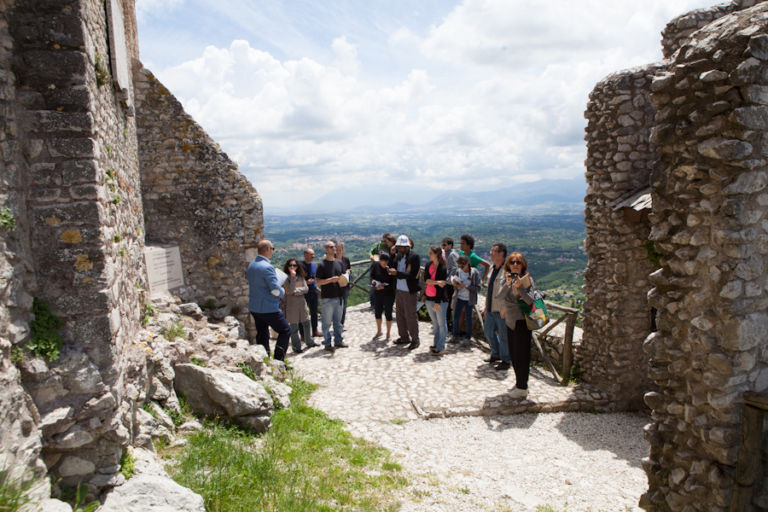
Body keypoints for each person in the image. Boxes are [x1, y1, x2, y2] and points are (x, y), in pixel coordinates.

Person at [496, 252, 536, 399]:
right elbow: (499, 297)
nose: (515, 265)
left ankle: (522, 387)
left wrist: (519, 287)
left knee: (522, 355)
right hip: (511, 322)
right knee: (514, 354)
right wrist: (508, 284)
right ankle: (520, 382)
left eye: (518, 262)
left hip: (522, 323)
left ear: (523, 265)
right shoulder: (506, 278)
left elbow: (530, 300)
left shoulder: (527, 279)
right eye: (512, 262)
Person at [247, 239, 291, 363]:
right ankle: (278, 361)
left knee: (262, 334)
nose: (272, 251)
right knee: (285, 330)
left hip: (255, 307)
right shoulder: (267, 267)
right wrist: (283, 292)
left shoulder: (252, 265)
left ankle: (265, 360)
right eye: (272, 248)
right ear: (267, 249)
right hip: (268, 307)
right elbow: (275, 290)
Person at [388, 234, 421, 350]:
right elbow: (391, 266)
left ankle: (415, 339)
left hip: (409, 290)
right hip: (399, 289)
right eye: (398, 247)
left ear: (407, 246)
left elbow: (412, 275)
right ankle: (404, 337)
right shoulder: (398, 255)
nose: (399, 249)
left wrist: (397, 274)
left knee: (410, 315)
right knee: (400, 315)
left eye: (401, 247)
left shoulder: (414, 257)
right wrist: (392, 255)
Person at [483, 243, 511, 370]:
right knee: (488, 331)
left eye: (493, 251)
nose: (490, 253)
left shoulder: (507, 270)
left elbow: (509, 291)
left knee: (504, 336)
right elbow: (489, 290)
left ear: (501, 254)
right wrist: (485, 306)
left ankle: (506, 359)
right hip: (490, 308)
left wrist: (505, 308)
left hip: (501, 310)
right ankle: (495, 353)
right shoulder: (492, 268)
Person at [315, 240, 348, 351]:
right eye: (331, 247)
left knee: (338, 322)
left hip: (339, 296)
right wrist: (330, 280)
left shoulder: (339, 263)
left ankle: (338, 341)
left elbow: (344, 276)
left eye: (334, 246)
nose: (334, 248)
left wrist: (345, 278)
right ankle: (327, 343)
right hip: (327, 298)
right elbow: (318, 282)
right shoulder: (322, 264)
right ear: (326, 249)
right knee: (326, 323)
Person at [282, 258, 318, 353]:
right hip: (292, 305)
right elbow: (289, 291)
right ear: (287, 266)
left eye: (295, 265)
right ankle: (296, 347)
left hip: (302, 303)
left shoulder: (301, 276)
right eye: (291, 265)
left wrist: (296, 291)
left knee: (306, 323)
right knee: (294, 328)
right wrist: (293, 278)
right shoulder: (285, 278)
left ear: (298, 267)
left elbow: (306, 289)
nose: (293, 267)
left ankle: (309, 342)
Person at [424, 245, 449, 355]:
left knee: (441, 324)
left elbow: (442, 287)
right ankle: (436, 344)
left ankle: (441, 346)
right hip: (429, 298)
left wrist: (437, 302)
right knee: (435, 323)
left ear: (437, 255)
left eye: (431, 253)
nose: (429, 255)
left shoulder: (443, 268)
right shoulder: (428, 265)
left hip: (439, 300)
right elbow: (426, 280)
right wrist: (436, 282)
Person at [450, 255, 481, 345]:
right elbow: (454, 283)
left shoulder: (474, 273)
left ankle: (468, 337)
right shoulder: (458, 272)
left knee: (468, 319)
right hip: (459, 298)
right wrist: (457, 286)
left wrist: (466, 287)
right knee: (455, 317)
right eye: (459, 266)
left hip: (469, 300)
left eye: (462, 266)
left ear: (468, 264)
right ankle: (455, 336)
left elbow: (478, 288)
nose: (461, 268)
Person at [370, 252, 395, 341]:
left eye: (385, 261)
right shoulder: (376, 265)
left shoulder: (391, 268)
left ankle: (388, 333)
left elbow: (393, 282)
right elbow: (372, 276)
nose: (384, 262)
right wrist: (373, 282)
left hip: (389, 293)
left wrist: (384, 286)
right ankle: (379, 331)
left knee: (388, 313)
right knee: (378, 312)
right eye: (382, 260)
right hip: (378, 292)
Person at [299, 247, 322, 338]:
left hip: (313, 291)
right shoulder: (300, 266)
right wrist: (305, 282)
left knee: (314, 312)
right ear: (305, 255)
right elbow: (295, 279)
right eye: (311, 254)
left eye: (313, 254)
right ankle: (303, 334)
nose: (313, 256)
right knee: (303, 314)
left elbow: (315, 277)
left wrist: (316, 286)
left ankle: (315, 331)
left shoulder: (313, 265)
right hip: (304, 292)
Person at [335, 241, 352, 328]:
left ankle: (341, 323)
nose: (338, 251)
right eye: (337, 249)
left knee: (344, 305)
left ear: (343, 250)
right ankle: (336, 324)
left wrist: (348, 271)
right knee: (335, 306)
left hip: (345, 286)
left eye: (340, 249)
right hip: (335, 287)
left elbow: (349, 269)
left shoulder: (346, 259)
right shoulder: (332, 260)